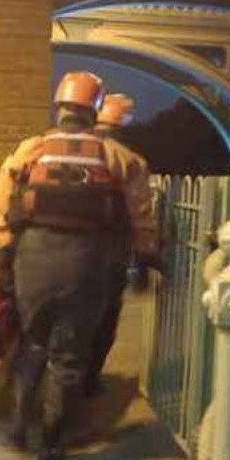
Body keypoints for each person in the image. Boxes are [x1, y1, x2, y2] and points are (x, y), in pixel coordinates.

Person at [0, 73, 159, 460]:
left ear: (59, 106)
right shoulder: (120, 157)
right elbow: (140, 213)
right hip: (85, 261)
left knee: (32, 342)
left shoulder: (30, 149)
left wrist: (2, 255)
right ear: (94, 109)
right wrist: (147, 254)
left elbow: (0, 202)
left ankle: (18, 426)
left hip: (32, 257)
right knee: (68, 354)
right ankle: (51, 441)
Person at [84, 93, 144, 397]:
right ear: (123, 125)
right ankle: (89, 379)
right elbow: (141, 216)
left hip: (67, 250)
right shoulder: (128, 159)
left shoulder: (67, 149)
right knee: (105, 319)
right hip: (110, 256)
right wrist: (147, 256)